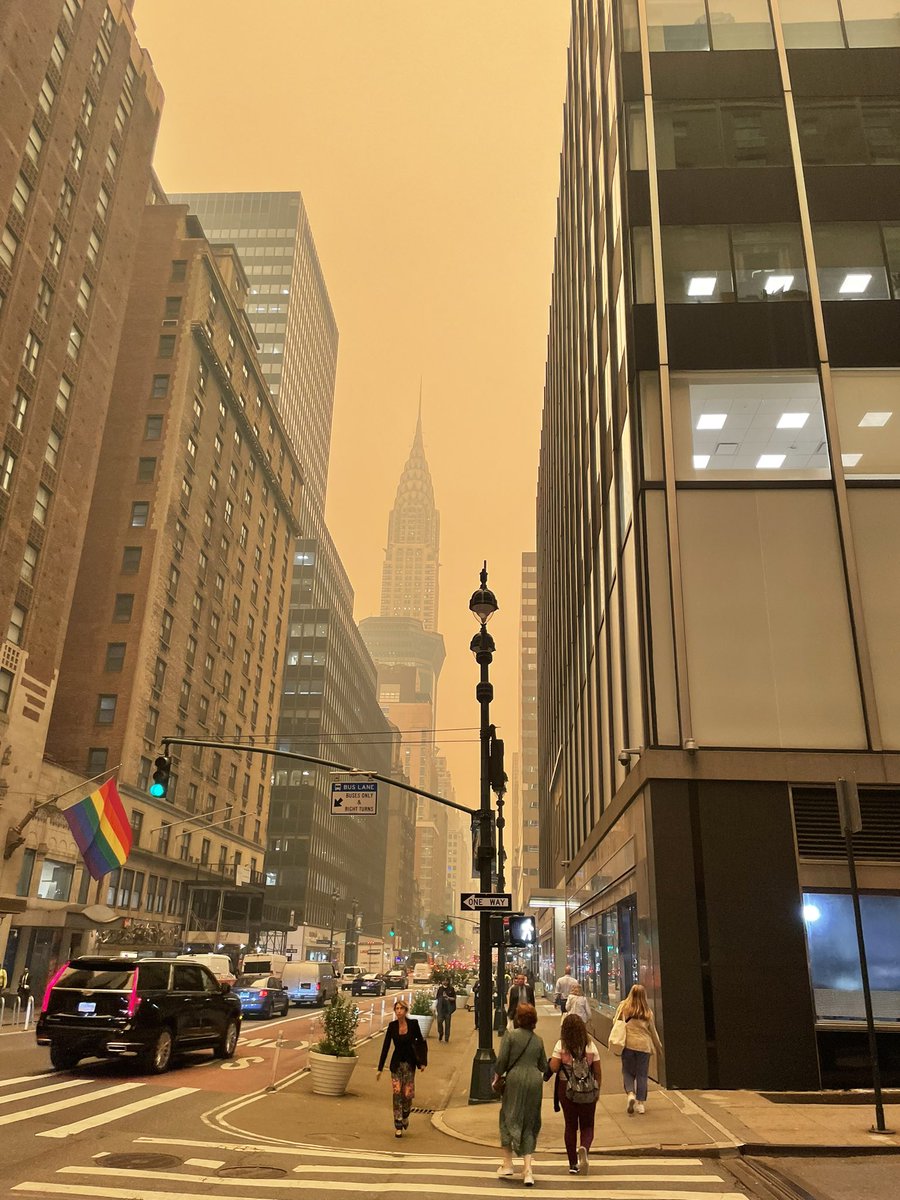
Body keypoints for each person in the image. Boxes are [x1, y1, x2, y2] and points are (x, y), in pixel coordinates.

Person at [496, 1003, 548, 1187]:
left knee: (508, 1117)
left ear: (518, 1019)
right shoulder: (538, 1040)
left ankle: (508, 1163)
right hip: (534, 1080)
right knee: (530, 1121)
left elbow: (501, 1062)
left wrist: (496, 1078)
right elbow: (544, 1066)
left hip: (515, 1079)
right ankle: (527, 1170)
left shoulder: (510, 1037)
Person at [549, 1013, 602, 1175]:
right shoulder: (590, 1046)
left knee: (570, 1125)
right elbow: (598, 1072)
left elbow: (553, 1068)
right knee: (587, 1125)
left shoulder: (561, 1045)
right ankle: (584, 1148)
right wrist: (597, 1090)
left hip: (567, 1089)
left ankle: (572, 1164)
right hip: (587, 1090)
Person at [376, 997, 427, 1137]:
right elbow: (386, 1047)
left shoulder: (413, 1024)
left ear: (405, 1011)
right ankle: (398, 1124)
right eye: (396, 1009)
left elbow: (420, 1043)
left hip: (410, 1064)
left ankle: (405, 1114)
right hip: (396, 1065)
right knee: (397, 1093)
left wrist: (422, 1062)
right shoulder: (392, 1027)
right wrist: (380, 1068)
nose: (398, 1011)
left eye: (401, 1009)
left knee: (407, 1093)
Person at [612, 983, 663, 1115]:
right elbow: (653, 1032)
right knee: (642, 1074)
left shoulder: (624, 1007)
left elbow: (615, 1022)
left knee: (627, 1072)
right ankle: (641, 1104)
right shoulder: (647, 1012)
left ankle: (630, 1094)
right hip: (644, 1046)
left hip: (628, 1045)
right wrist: (659, 1047)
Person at [434, 977, 457, 1042]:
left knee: (447, 1025)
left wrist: (448, 998)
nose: (445, 982)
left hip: (448, 1010)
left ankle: (447, 1038)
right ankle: (440, 1033)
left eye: (446, 981)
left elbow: (454, 998)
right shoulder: (440, 989)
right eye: (443, 981)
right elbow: (437, 998)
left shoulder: (451, 989)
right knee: (439, 1022)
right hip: (441, 1010)